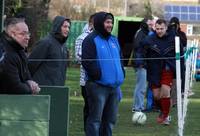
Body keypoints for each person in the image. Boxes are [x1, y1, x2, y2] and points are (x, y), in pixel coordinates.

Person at [82, 11, 125, 136]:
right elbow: (87, 62)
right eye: (107, 22)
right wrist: (99, 76)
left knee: (110, 121)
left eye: (111, 22)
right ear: (100, 23)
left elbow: (120, 59)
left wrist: (121, 73)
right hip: (97, 87)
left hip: (114, 88)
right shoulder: (90, 40)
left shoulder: (114, 40)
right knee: (95, 120)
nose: (110, 25)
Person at [140, 19, 176, 125]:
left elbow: (180, 54)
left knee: (165, 92)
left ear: (166, 28)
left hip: (167, 68)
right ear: (154, 28)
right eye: (157, 29)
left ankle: (165, 116)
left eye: (162, 29)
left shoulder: (173, 38)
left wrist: (181, 72)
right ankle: (163, 111)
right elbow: (140, 50)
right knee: (156, 96)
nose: (159, 31)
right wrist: (142, 62)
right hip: (154, 70)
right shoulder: (149, 39)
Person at [0, 17, 40, 94]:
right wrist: (31, 89)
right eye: (23, 34)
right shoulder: (5, 54)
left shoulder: (19, 50)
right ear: (12, 34)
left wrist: (30, 81)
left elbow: (26, 74)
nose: (27, 37)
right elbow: (14, 87)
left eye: (28, 33)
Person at [28, 16, 71, 86]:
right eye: (65, 26)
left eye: (69, 27)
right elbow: (31, 65)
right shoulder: (45, 43)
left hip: (57, 89)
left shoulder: (64, 46)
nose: (67, 29)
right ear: (57, 26)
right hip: (43, 88)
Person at [75, 13, 95, 133]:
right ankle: (88, 131)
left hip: (101, 81)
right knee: (89, 108)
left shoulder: (102, 38)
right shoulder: (81, 38)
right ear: (91, 24)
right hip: (86, 81)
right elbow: (79, 58)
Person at [168, 17, 188, 106]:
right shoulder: (168, 33)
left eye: (174, 24)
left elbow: (184, 43)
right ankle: (168, 100)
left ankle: (175, 100)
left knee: (178, 81)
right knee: (169, 81)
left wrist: (176, 33)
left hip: (179, 60)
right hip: (169, 60)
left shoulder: (181, 34)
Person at [132, 19, 150, 112]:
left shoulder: (142, 32)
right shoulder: (141, 33)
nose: (152, 24)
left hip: (140, 62)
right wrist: (141, 62)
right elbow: (137, 47)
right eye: (150, 22)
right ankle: (138, 107)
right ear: (145, 23)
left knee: (139, 85)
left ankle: (137, 106)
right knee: (141, 86)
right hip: (140, 63)